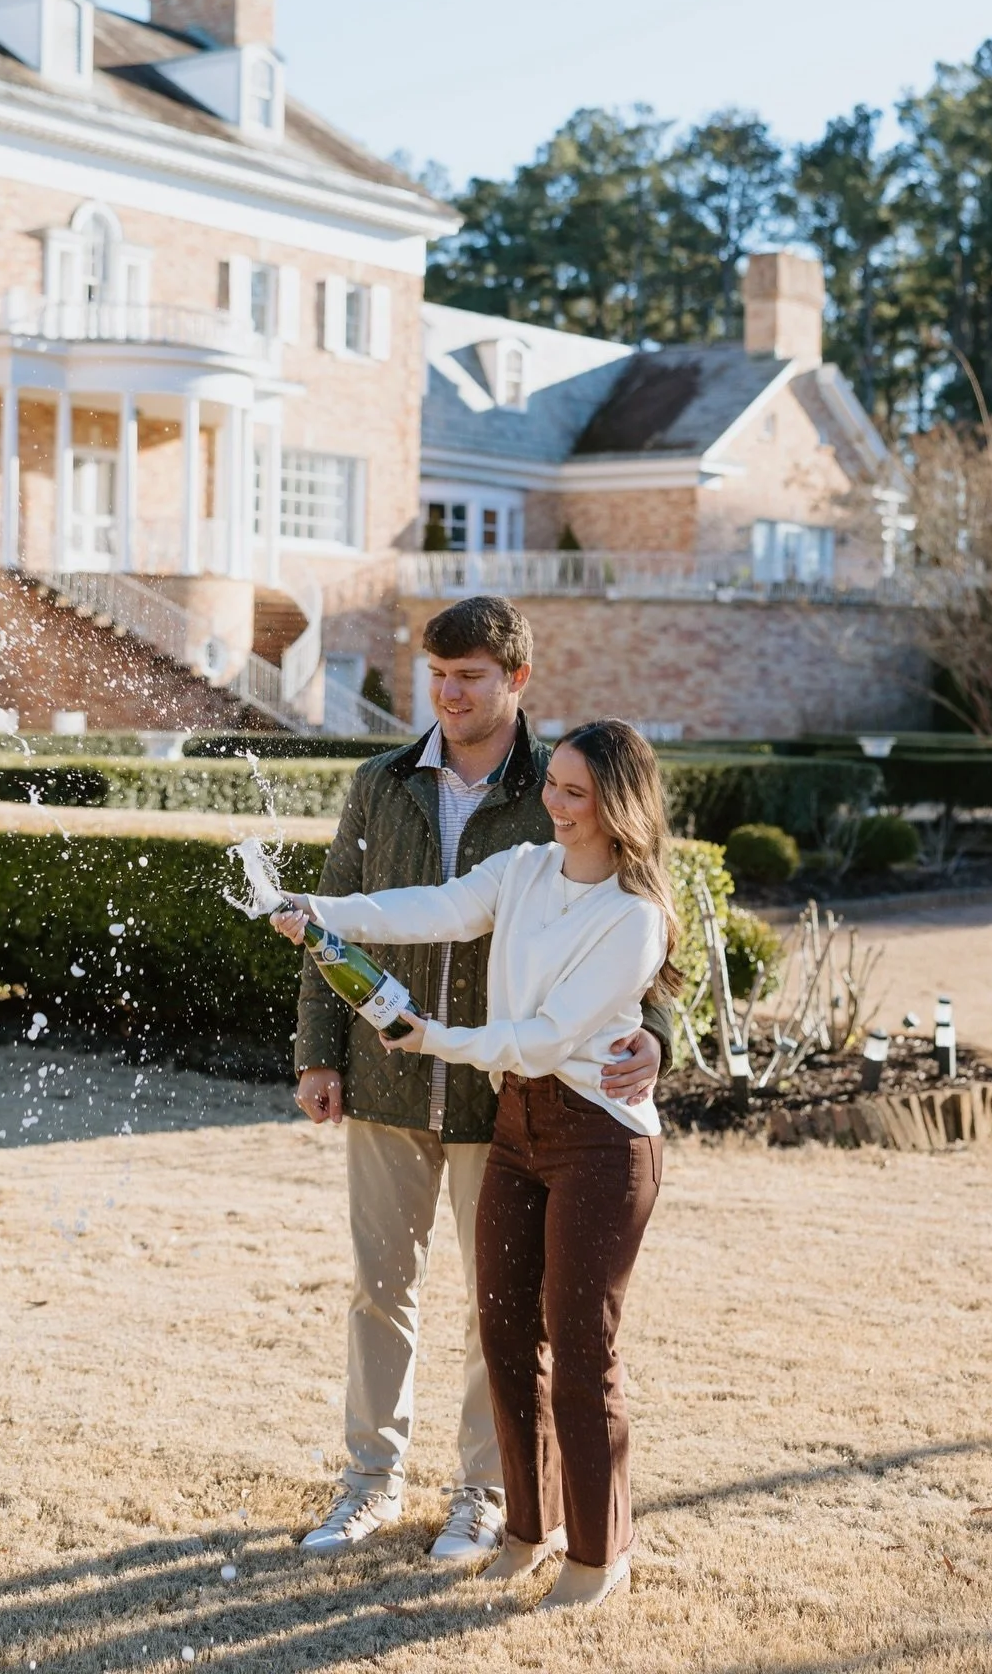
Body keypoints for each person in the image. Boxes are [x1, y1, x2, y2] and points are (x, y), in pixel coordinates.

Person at [291, 597, 672, 1565]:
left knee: (497, 1310)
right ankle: (368, 1483)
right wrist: (319, 1051)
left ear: (516, 679)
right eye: (437, 675)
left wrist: (657, 1038)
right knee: (380, 1290)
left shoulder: (566, 783)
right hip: (385, 1081)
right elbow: (364, 912)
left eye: (469, 676)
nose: (449, 694)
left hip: (494, 1098)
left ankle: (485, 1493)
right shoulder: (380, 782)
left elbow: (639, 927)